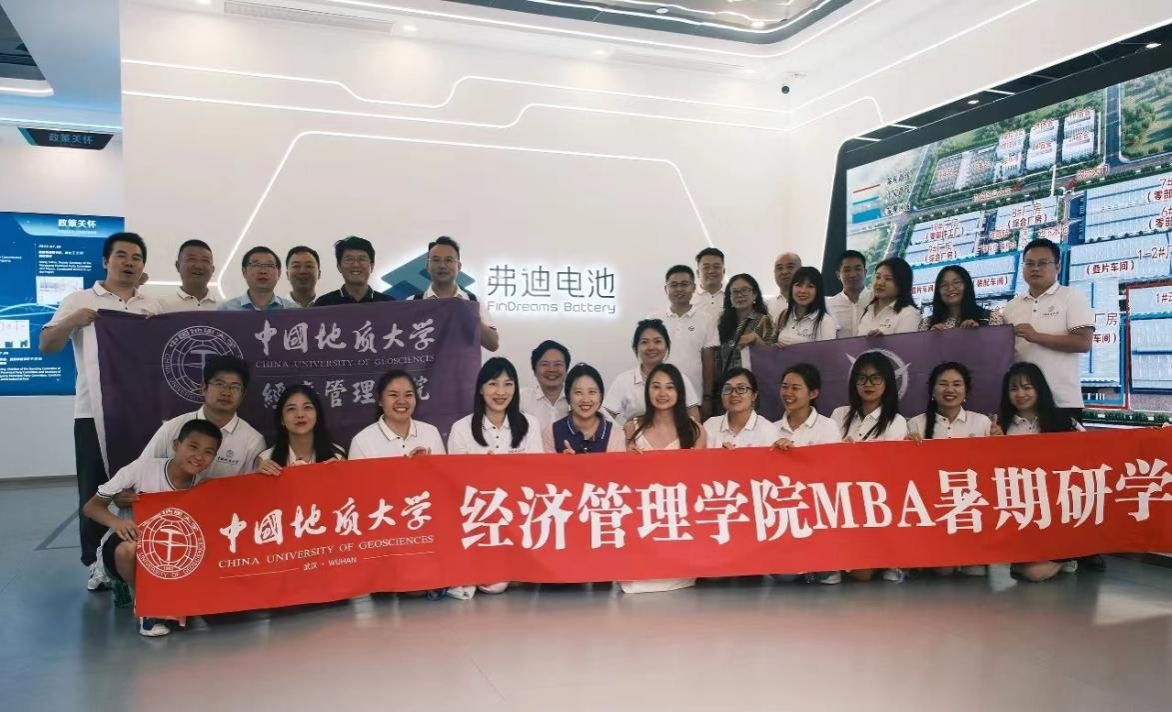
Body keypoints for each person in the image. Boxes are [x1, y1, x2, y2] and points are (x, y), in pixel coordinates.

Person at [39, 232, 160, 592]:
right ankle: (95, 563)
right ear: (106, 261)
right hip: (92, 412)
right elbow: (47, 345)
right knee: (94, 488)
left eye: (136, 257)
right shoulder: (81, 300)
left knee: (142, 486)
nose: (129, 263)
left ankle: (142, 552)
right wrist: (73, 320)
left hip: (143, 412)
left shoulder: (150, 306)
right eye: (121, 255)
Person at [82, 418, 222, 636]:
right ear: (176, 445)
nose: (198, 456)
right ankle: (147, 604)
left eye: (208, 452)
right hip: (127, 545)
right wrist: (118, 523)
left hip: (171, 554)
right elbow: (91, 507)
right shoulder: (141, 469)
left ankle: (171, 598)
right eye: (193, 447)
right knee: (130, 548)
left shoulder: (205, 485)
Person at [446, 357, 540, 599]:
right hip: (478, 516)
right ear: (480, 389)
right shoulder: (461, 428)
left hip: (518, 514)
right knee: (492, 584)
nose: (500, 392)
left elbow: (536, 476)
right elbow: (453, 484)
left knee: (498, 584)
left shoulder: (530, 424)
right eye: (493, 384)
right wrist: (478, 472)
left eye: (508, 384)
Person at [992, 362, 1083, 582]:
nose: (1020, 394)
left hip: (1057, 509)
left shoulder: (1064, 422)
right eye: (1013, 389)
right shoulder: (1001, 426)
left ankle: (1068, 555)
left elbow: (1092, 452)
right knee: (1019, 567)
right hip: (1021, 512)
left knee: (1034, 573)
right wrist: (995, 444)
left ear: (1039, 389)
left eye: (1027, 387)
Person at [620, 363, 706, 594]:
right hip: (641, 514)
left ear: (679, 392)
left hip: (678, 515)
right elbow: (622, 478)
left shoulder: (695, 430)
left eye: (670, 387)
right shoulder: (632, 427)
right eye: (656, 386)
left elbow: (697, 480)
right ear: (647, 391)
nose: (662, 393)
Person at [907, 362, 992, 578]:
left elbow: (992, 470)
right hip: (934, 507)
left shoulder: (982, 422)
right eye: (943, 384)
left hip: (972, 509)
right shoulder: (916, 424)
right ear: (932, 390)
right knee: (943, 570)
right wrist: (906, 447)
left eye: (957, 384)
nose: (950, 389)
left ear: (966, 390)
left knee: (976, 573)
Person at [831, 351, 909, 583]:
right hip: (842, 497)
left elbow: (891, 468)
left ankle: (887, 558)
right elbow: (827, 459)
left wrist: (856, 456)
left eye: (876, 378)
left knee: (861, 575)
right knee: (859, 573)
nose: (868, 384)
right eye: (862, 378)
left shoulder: (896, 421)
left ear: (887, 382)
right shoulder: (839, 414)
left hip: (877, 500)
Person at [1002, 238, 1094, 419]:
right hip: (1022, 402)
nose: (1035, 268)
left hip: (1061, 401)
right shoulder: (1012, 306)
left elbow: (1083, 343)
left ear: (1057, 267)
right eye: (1029, 264)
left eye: (1043, 263)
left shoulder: (1072, 297)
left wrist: (1036, 336)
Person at [772, 363, 844, 585]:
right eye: (784, 386)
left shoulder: (828, 426)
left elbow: (833, 471)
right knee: (784, 577)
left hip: (819, 506)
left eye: (795, 388)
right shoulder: (771, 428)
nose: (787, 393)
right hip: (785, 508)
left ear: (813, 394)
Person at [137, 355, 266, 478]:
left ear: (243, 394)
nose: (226, 392)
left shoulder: (253, 441)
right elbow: (140, 473)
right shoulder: (172, 428)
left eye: (235, 387)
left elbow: (252, 487)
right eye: (219, 384)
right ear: (204, 388)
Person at [603, 319, 701, 424]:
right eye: (644, 342)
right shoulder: (623, 380)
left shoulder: (680, 379)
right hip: (635, 433)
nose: (651, 347)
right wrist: (624, 431)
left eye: (657, 341)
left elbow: (694, 419)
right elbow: (605, 417)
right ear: (636, 347)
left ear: (666, 346)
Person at [411, 236, 498, 351]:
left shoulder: (474, 301)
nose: (442, 265)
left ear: (459, 266)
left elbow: (493, 345)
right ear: (427, 266)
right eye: (436, 260)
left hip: (463, 363)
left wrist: (469, 315)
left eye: (448, 260)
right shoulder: (412, 302)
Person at [655, 265, 718, 417]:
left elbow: (709, 362)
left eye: (684, 284)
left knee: (692, 432)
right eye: (674, 285)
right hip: (658, 396)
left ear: (693, 287)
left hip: (693, 398)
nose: (679, 289)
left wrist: (707, 398)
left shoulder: (706, 319)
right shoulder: (654, 320)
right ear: (666, 289)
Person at [712, 274, 775, 414]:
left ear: (755, 294)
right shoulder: (722, 322)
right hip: (726, 390)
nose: (740, 295)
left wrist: (756, 340)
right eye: (735, 292)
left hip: (751, 390)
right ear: (729, 296)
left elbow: (772, 357)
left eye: (745, 290)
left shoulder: (763, 320)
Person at [350, 369, 446, 458]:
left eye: (408, 395)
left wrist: (426, 465)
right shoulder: (361, 442)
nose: (401, 401)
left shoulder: (431, 433)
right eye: (393, 395)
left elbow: (442, 471)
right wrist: (410, 466)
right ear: (380, 400)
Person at [256, 385, 346, 474]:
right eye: (291, 409)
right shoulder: (267, 459)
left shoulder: (337, 456)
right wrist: (259, 476)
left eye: (307, 407)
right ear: (282, 419)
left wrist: (341, 474)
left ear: (317, 415)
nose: (300, 415)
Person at [543, 363, 625, 453]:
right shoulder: (552, 432)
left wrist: (575, 461)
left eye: (592, 392)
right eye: (578, 392)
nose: (586, 399)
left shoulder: (615, 434)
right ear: (568, 396)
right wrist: (562, 460)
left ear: (601, 396)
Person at [702, 368, 780, 448]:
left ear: (754, 395)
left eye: (741, 388)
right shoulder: (710, 426)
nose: (734, 394)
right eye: (728, 389)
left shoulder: (768, 430)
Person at [312, 236, 394, 306]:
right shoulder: (324, 303)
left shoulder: (389, 304)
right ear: (339, 266)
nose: (356, 265)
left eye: (362, 259)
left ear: (372, 266)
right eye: (349, 259)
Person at [921, 265, 1004, 330]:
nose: (950, 288)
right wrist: (931, 338)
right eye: (944, 285)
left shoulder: (990, 318)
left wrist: (978, 333)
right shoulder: (927, 324)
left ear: (967, 286)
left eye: (956, 282)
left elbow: (1000, 346)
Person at [774, 266, 838, 346]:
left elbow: (828, 352)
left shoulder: (826, 322)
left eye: (810, 286)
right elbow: (772, 344)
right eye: (798, 285)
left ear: (818, 291)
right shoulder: (783, 315)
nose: (803, 291)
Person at [219, 246, 298, 310]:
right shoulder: (226, 310)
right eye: (256, 265)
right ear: (244, 271)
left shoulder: (293, 310)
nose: (263, 271)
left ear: (279, 273)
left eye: (269, 265)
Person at [857, 256, 920, 335]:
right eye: (878, 277)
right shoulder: (868, 310)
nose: (880, 283)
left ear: (902, 283)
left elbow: (907, 343)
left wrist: (884, 340)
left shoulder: (909, 313)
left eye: (888, 279)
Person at [519, 340, 571, 430]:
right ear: (534, 370)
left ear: (566, 369)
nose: (551, 369)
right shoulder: (520, 399)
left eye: (558, 364)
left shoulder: (577, 398)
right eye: (545, 364)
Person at [157, 239, 217, 311]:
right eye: (191, 259)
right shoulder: (160, 306)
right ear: (178, 266)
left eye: (205, 260)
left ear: (213, 269)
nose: (199, 266)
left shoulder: (223, 307)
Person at [826, 250, 872, 339]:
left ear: (865, 272)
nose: (853, 274)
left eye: (858, 269)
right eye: (847, 270)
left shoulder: (877, 300)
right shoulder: (829, 306)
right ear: (838, 275)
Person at [767, 252, 802, 322]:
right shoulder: (767, 306)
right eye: (779, 268)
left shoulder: (816, 304)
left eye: (790, 267)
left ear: (801, 270)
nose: (784, 272)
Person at [690, 247, 726, 315]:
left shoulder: (733, 297)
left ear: (723, 271)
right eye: (706, 267)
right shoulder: (688, 298)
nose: (711, 271)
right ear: (698, 273)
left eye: (716, 267)